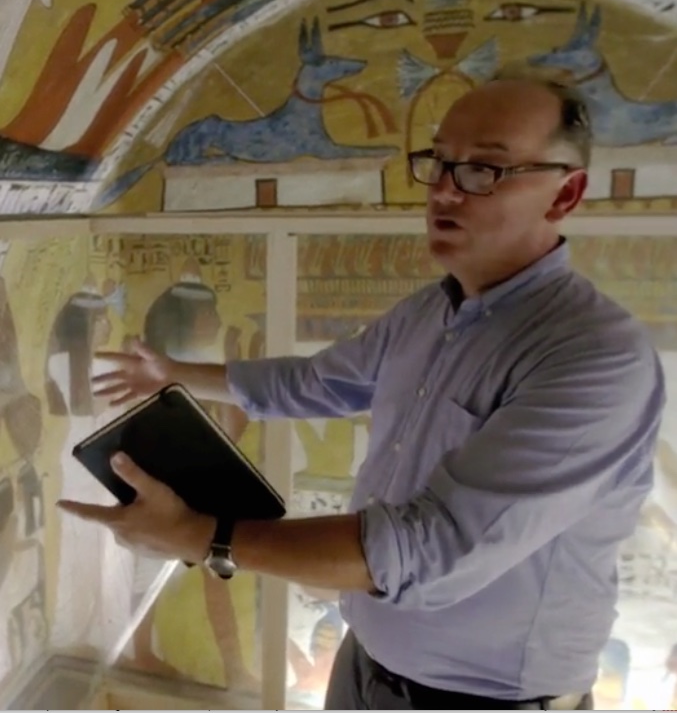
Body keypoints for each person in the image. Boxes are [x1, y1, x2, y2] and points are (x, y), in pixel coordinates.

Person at [58, 74, 666, 710]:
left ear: (565, 194)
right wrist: (177, 374)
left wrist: (199, 535)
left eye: (484, 169)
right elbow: (320, 381)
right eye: (439, 162)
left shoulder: (593, 358)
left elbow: (426, 546)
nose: (444, 190)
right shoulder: (430, 312)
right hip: (365, 663)